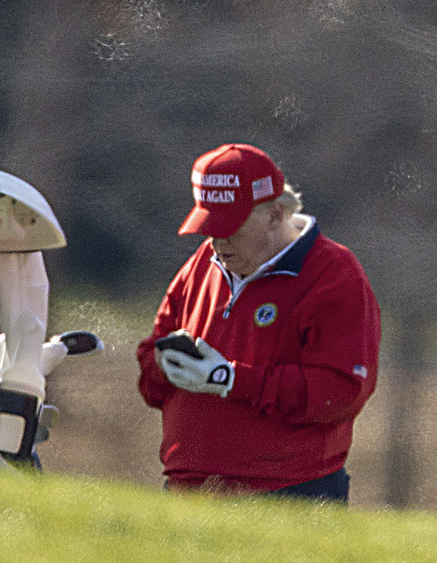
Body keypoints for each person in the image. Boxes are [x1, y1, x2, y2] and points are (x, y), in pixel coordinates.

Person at [136, 143, 381, 503]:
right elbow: (151, 370)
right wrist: (166, 365)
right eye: (209, 226)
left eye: (230, 226)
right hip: (186, 488)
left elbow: (342, 391)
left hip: (288, 492)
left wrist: (231, 379)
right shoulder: (203, 262)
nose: (218, 240)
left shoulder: (334, 274)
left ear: (275, 214)